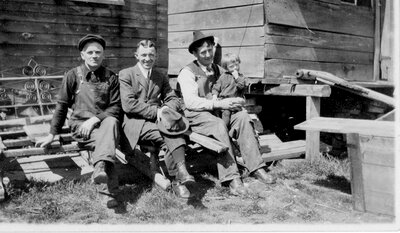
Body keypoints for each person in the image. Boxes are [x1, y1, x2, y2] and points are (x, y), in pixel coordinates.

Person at [177, 31, 276, 196]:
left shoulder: (219, 69)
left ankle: (256, 167)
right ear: (195, 54)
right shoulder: (187, 72)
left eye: (210, 50)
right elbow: (191, 102)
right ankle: (231, 178)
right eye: (203, 52)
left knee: (243, 117)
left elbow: (233, 88)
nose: (208, 55)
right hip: (195, 115)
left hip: (219, 112)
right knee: (219, 125)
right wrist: (219, 103)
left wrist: (237, 100)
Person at [36, 34, 122, 208]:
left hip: (103, 125)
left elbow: (116, 107)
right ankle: (107, 187)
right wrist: (53, 134)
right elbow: (61, 106)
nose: (94, 55)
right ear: (82, 55)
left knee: (111, 124)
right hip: (81, 127)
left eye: (98, 52)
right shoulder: (73, 75)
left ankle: (101, 177)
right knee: (108, 140)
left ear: (103, 55)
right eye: (90, 52)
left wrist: (95, 120)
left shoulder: (111, 77)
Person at [118, 40, 194, 199]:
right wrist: (157, 111)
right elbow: (129, 105)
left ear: (156, 56)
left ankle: (180, 175)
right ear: (136, 55)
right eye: (144, 55)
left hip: (156, 119)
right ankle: (179, 178)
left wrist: (167, 108)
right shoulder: (126, 74)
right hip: (134, 122)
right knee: (170, 136)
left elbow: (172, 98)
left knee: (174, 130)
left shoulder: (160, 75)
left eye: (151, 55)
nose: (147, 59)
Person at [212, 53, 247, 126]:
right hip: (223, 101)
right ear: (226, 68)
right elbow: (216, 87)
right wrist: (215, 96)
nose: (235, 68)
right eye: (232, 66)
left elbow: (241, 86)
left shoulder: (241, 77)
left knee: (231, 113)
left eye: (237, 65)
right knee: (221, 113)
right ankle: (222, 128)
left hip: (234, 101)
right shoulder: (223, 76)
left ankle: (226, 129)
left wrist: (237, 77)